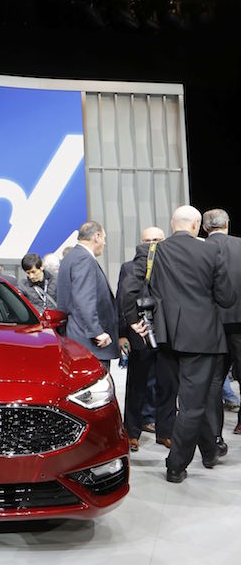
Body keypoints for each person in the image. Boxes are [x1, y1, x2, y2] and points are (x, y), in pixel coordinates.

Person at [121, 205, 235, 483]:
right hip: (203, 337)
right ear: (196, 226)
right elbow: (226, 297)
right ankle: (175, 465)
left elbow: (127, 290)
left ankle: (209, 451)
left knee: (187, 400)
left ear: (172, 224)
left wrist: (134, 320)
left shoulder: (152, 251)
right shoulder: (211, 251)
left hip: (166, 337)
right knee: (194, 404)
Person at [117, 226, 171, 452]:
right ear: (141, 242)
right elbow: (121, 301)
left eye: (157, 239)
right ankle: (132, 432)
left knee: (167, 386)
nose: (152, 244)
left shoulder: (171, 265)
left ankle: (165, 432)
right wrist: (122, 333)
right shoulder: (129, 267)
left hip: (167, 333)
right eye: (148, 240)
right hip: (139, 332)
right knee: (137, 386)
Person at [202, 209, 241, 447]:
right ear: (227, 224)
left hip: (211, 325)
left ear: (204, 228)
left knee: (213, 382)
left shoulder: (199, 249)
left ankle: (214, 436)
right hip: (240, 323)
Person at [57, 221, 119, 368]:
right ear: (97, 237)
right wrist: (96, 332)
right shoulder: (84, 259)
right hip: (89, 343)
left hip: (76, 337)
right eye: (104, 238)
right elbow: (84, 299)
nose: (104, 243)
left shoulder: (71, 257)